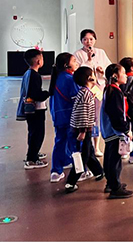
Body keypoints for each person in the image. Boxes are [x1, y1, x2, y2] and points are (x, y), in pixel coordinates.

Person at [64, 67, 104, 193]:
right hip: (83, 129)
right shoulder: (86, 94)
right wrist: (83, 131)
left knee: (89, 151)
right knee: (83, 155)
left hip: (82, 128)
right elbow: (83, 114)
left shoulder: (84, 92)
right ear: (89, 78)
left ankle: (98, 171)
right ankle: (71, 182)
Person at [74, 29, 112, 157]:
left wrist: (102, 71)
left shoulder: (101, 52)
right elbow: (78, 72)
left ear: (95, 40)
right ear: (81, 41)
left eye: (91, 39)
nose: (88, 42)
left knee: (97, 117)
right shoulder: (78, 54)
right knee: (88, 117)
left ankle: (96, 146)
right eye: (85, 39)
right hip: (87, 88)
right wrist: (89, 60)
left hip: (99, 87)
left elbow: (109, 67)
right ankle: (87, 144)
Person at [101, 63, 133, 199]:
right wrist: (126, 130)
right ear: (115, 76)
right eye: (123, 73)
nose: (126, 76)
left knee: (110, 157)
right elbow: (117, 114)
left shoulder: (110, 89)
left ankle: (111, 183)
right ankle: (115, 188)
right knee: (114, 160)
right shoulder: (114, 92)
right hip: (115, 131)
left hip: (109, 130)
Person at [16, 49, 50, 169]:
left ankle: (34, 153)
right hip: (35, 110)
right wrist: (47, 93)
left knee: (33, 132)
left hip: (31, 110)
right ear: (38, 61)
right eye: (42, 58)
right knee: (37, 134)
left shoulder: (28, 73)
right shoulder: (34, 76)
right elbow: (35, 94)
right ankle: (31, 159)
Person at [48, 53, 80, 182]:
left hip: (59, 116)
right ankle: (80, 171)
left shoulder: (57, 78)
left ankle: (56, 171)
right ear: (67, 65)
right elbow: (78, 97)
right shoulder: (70, 79)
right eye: (74, 60)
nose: (76, 62)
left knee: (60, 142)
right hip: (70, 117)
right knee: (76, 145)